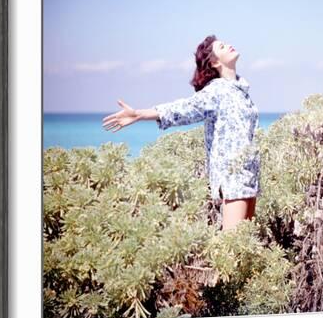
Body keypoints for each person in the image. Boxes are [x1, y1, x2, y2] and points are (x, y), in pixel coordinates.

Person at [102, 34, 261, 231]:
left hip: (249, 174)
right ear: (214, 61)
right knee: (233, 246)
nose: (229, 45)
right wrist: (139, 114)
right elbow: (183, 108)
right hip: (232, 176)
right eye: (222, 47)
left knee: (247, 244)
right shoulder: (217, 90)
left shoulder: (240, 90)